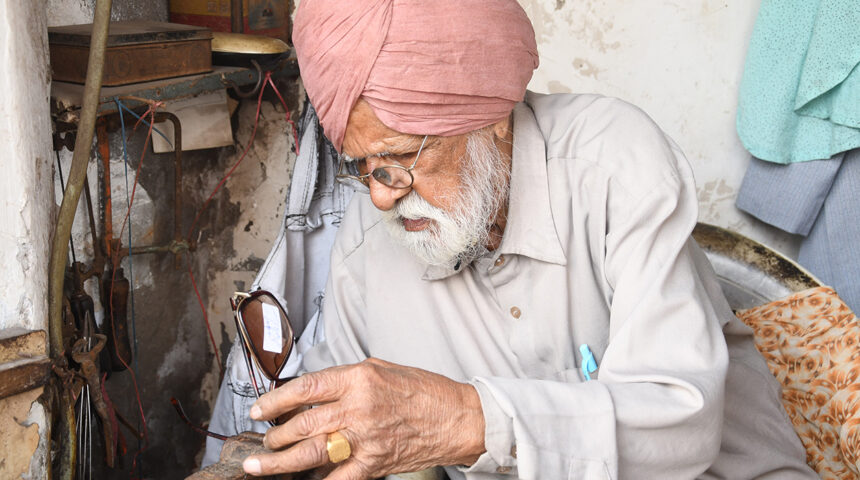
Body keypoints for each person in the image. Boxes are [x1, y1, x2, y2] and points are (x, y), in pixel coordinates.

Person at [232, 1, 819, 479]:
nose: (382, 194)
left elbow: (680, 426)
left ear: (490, 117)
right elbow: (336, 422)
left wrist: (462, 420)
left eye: (400, 156)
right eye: (361, 165)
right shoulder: (369, 238)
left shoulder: (613, 162)